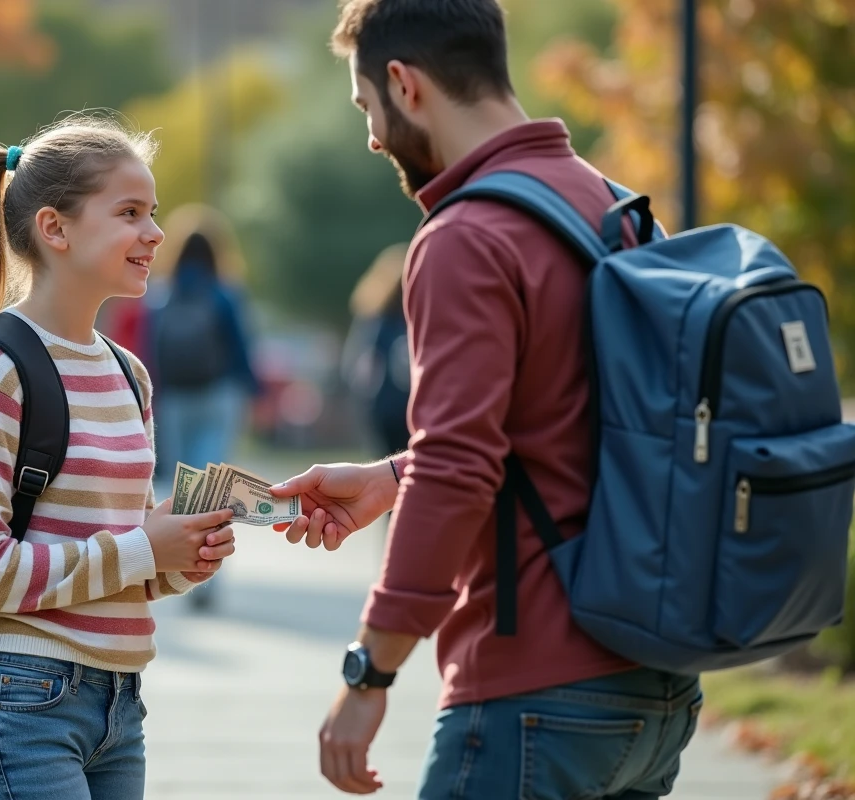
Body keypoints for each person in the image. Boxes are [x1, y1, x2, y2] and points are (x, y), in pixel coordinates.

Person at [270, 2, 701, 797]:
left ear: (404, 84)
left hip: (536, 693)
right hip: (656, 690)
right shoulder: (616, 208)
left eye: (367, 106)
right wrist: (392, 477)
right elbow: (570, 421)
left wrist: (368, 676)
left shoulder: (465, 235)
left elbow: (460, 469)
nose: (371, 137)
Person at [0, 117, 237, 800]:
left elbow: (120, 560)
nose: (155, 234)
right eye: (129, 213)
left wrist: (179, 559)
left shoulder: (129, 374)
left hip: (119, 706)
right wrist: (145, 550)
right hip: (17, 697)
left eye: (152, 213)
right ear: (55, 228)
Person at [145, 206, 262, 610]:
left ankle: (185, 569)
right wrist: (254, 393)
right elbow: (244, 350)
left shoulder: (160, 296)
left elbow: (149, 354)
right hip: (218, 397)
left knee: (186, 489)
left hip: (174, 400)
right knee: (214, 490)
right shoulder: (226, 294)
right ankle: (207, 578)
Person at [341, 243, 412, 457]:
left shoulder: (373, 322)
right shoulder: (414, 321)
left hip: (381, 408)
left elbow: (357, 369)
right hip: (410, 408)